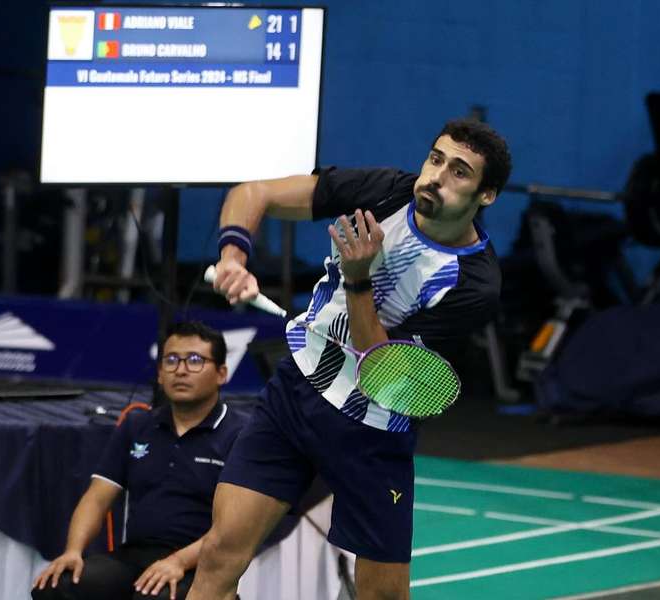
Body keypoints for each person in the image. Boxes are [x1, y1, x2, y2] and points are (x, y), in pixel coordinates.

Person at [190, 118, 511, 599]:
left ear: (486, 196)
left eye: (459, 172)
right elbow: (253, 192)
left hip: (373, 427)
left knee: (381, 596)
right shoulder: (386, 191)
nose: (436, 177)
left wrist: (359, 278)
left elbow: (380, 368)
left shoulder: (473, 283)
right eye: (436, 158)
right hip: (297, 393)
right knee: (219, 554)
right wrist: (234, 255)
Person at [32, 321, 247, 600]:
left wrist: (178, 562)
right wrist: (73, 551)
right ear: (159, 374)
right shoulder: (138, 425)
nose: (181, 370)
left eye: (195, 360)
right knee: (55, 588)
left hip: (202, 563)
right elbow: (96, 498)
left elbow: (234, 529)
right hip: (132, 556)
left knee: (152, 597)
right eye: (171, 360)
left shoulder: (240, 434)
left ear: (222, 374)